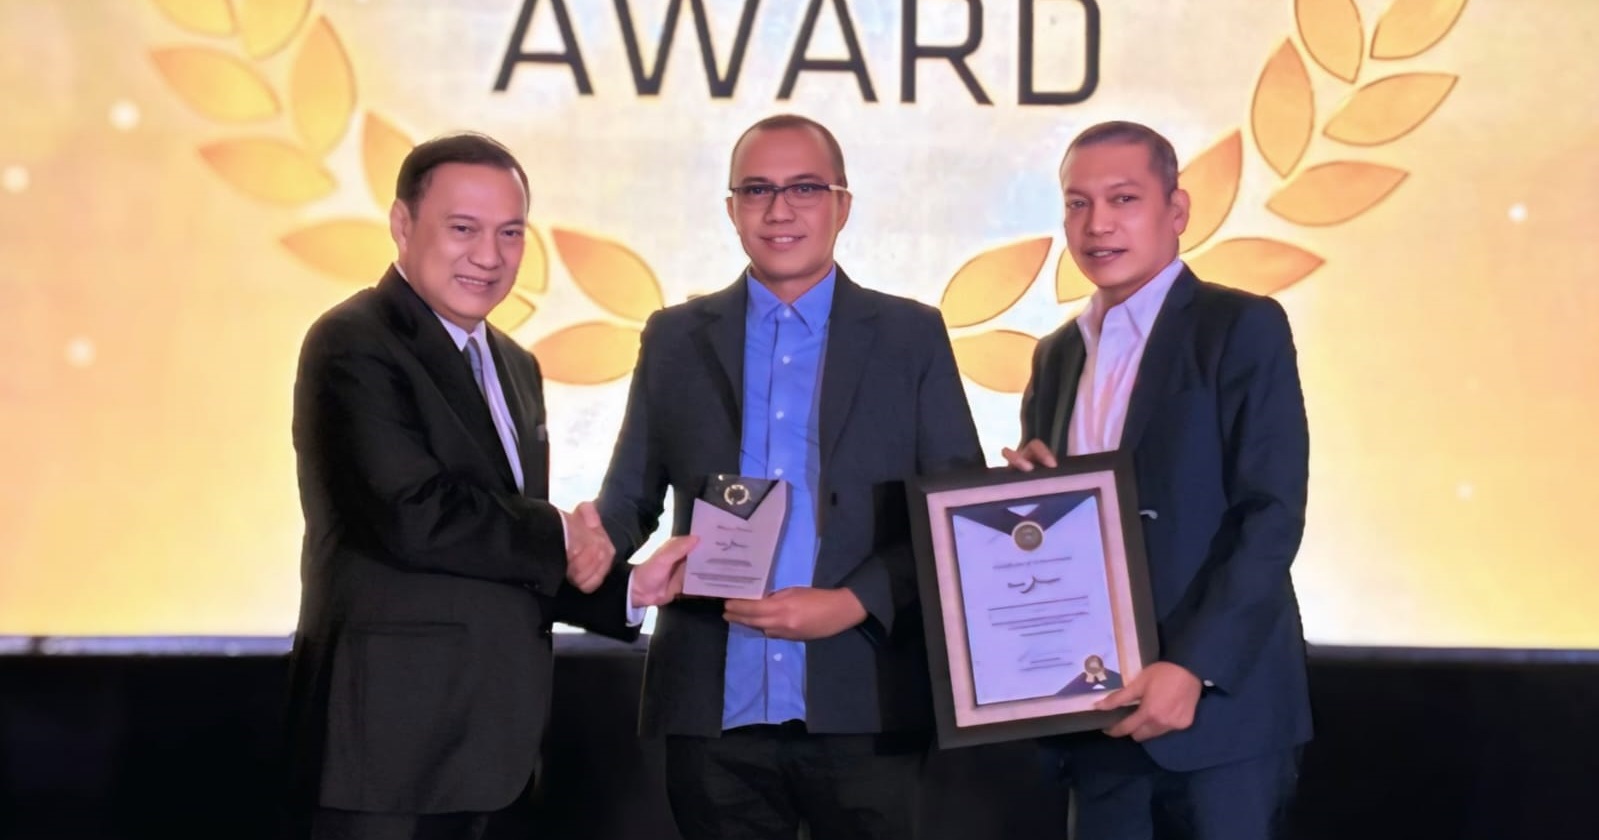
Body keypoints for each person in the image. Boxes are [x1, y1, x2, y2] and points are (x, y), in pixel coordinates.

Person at [284, 132, 695, 840]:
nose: (489, 255)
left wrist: (628, 589)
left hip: (491, 746)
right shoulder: (352, 342)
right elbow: (413, 515)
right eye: (463, 229)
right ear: (402, 225)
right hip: (383, 746)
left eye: (510, 233)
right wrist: (565, 534)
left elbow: (500, 549)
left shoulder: (514, 365)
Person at [596, 114, 984, 840]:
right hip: (712, 702)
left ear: (842, 204)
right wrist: (577, 546)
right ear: (731, 208)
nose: (779, 210)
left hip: (863, 696)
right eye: (757, 190)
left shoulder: (910, 336)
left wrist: (854, 602)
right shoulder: (675, 337)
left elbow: (952, 513)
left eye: (804, 188)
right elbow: (628, 499)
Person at [1004, 121, 1312, 840]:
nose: (1097, 224)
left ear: (1176, 211)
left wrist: (1192, 667)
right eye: (1077, 204)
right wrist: (1028, 507)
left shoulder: (1240, 326)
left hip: (1220, 712)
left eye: (1123, 199)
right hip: (1097, 711)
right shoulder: (1057, 355)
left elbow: (1270, 514)